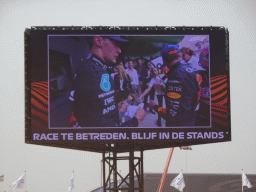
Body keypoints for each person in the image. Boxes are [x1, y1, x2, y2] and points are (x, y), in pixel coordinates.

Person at [72, 36, 145, 127]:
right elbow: (109, 134)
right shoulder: (95, 72)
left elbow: (95, 112)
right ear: (98, 41)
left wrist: (114, 107)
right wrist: (136, 120)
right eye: (116, 44)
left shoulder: (95, 68)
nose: (119, 50)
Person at [149, 44, 200, 127]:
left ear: (164, 59)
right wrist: (167, 90)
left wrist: (154, 107)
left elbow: (173, 115)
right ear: (179, 55)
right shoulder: (191, 69)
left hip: (179, 126)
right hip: (192, 120)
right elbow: (187, 93)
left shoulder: (176, 75)